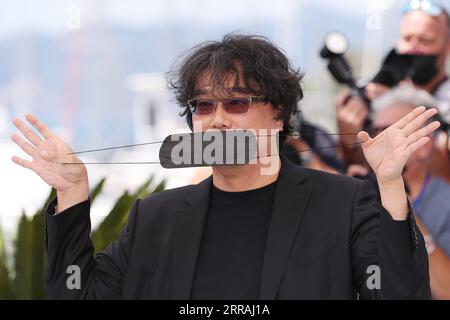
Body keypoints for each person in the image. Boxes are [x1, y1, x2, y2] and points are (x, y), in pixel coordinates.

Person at [11, 34, 437, 299]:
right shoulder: (155, 216)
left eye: (236, 102)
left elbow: (398, 294)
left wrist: (389, 185)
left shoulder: (343, 202)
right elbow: (77, 295)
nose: (216, 119)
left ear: (278, 114)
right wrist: (71, 196)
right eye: (202, 105)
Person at [336, 0, 450, 167]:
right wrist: (348, 140)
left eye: (425, 40)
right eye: (407, 38)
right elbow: (359, 172)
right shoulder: (377, 96)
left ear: (447, 46)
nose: (413, 47)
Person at [371, 86, 450, 299]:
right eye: (374, 131)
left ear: (425, 145)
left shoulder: (445, 203)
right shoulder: (361, 191)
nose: (378, 140)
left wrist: (405, 213)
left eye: (390, 131)